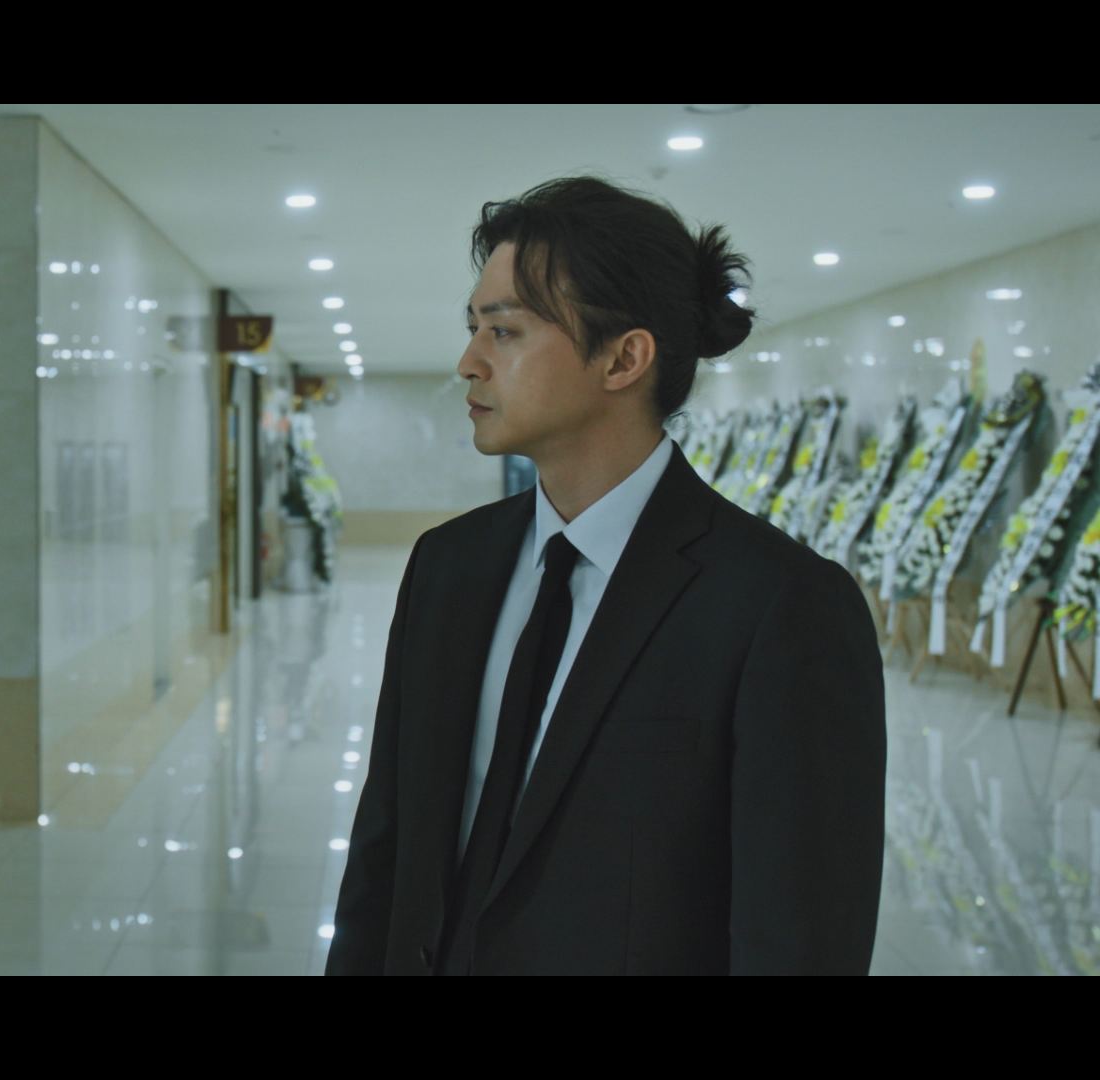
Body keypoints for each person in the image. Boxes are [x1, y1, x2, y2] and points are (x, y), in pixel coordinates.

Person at [326, 177, 885, 975]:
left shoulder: (779, 604)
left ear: (624, 358)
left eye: (504, 331)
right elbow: (384, 855)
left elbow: (798, 939)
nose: (469, 363)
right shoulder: (448, 566)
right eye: (473, 328)